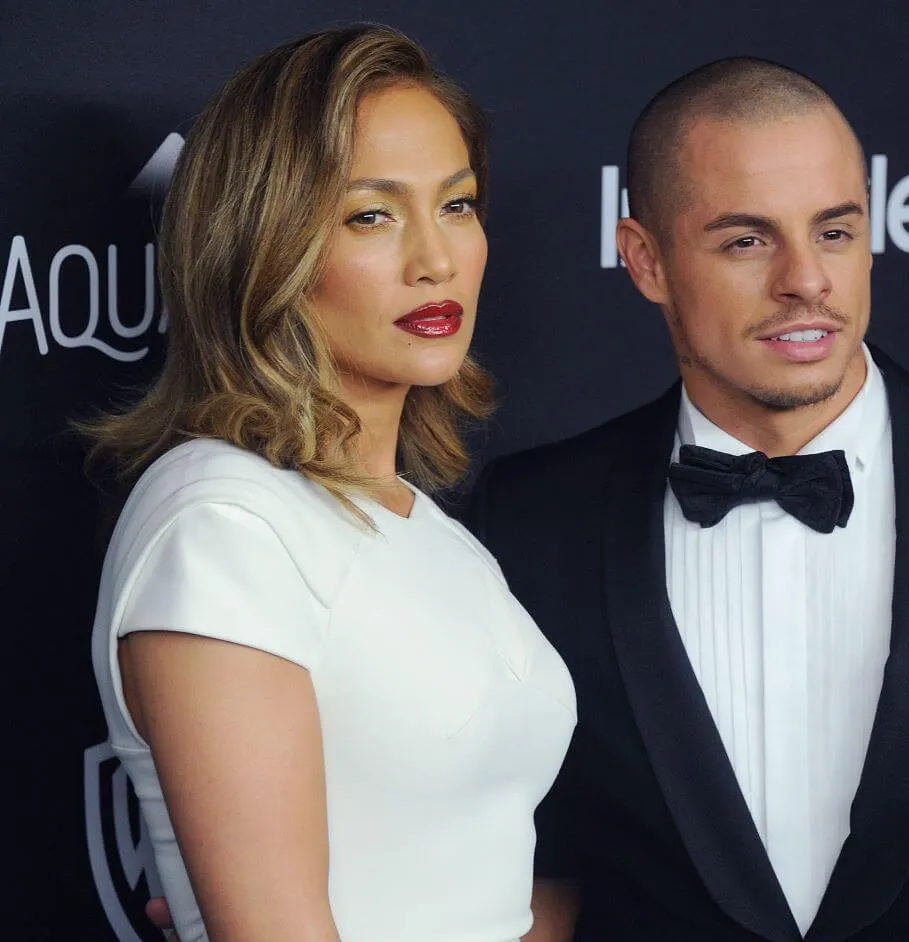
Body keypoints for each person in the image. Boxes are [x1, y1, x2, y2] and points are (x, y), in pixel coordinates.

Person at [468, 59, 909, 941]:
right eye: (747, 240)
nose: (806, 280)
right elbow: (525, 870)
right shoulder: (531, 522)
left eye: (836, 232)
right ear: (646, 260)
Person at [86, 25, 574, 942]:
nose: (435, 259)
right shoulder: (223, 525)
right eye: (371, 215)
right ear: (262, 246)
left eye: (458, 205)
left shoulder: (430, 531)